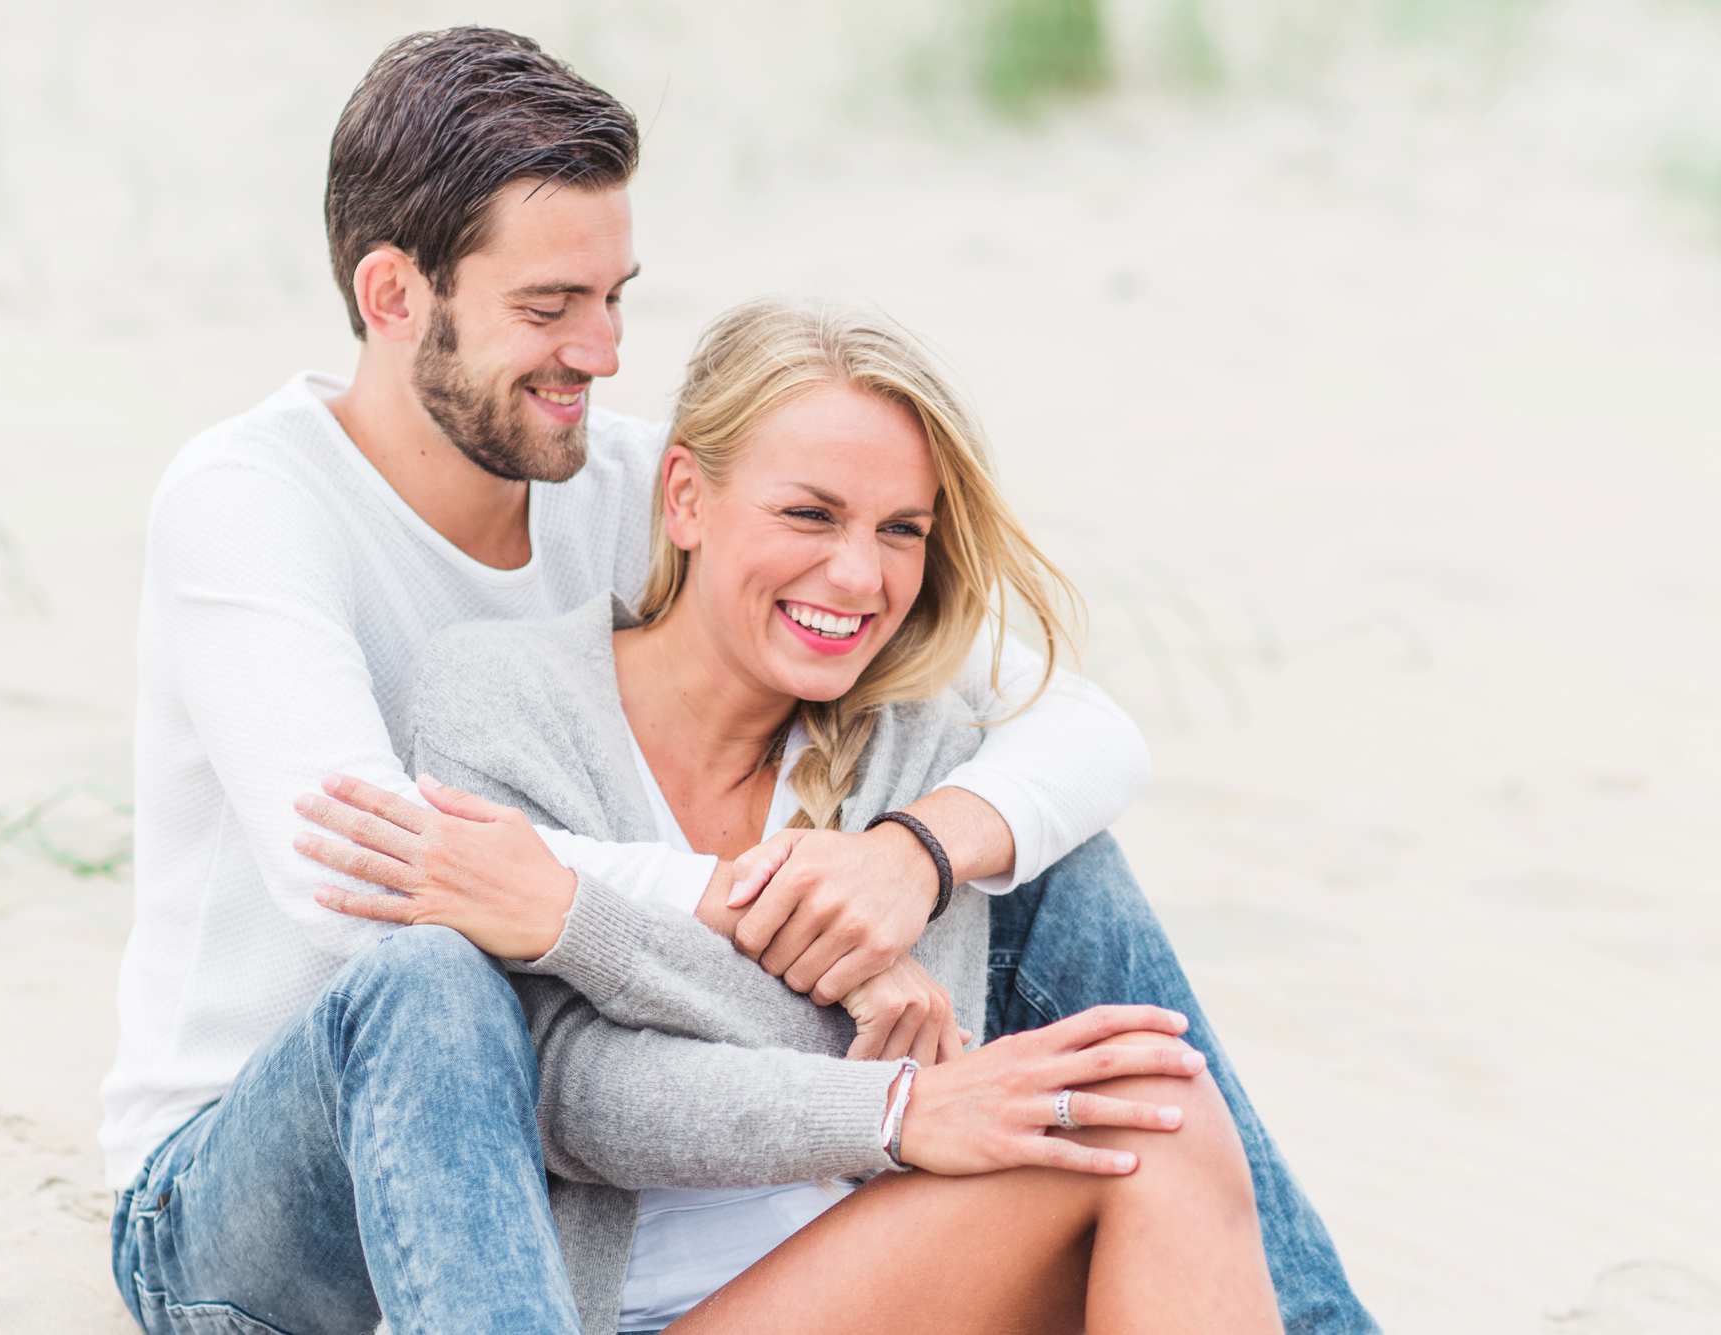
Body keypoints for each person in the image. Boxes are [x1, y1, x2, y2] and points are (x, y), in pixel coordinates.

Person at [102, 24, 1373, 1335]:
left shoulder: (637, 477)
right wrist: (771, 918)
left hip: (564, 1191)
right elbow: (372, 886)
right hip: (252, 1187)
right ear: (393, 296)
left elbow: (1069, 724)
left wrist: (909, 858)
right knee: (438, 975)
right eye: (549, 308)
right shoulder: (252, 505)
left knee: (1043, 862)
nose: (598, 353)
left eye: (615, 298)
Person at [303, 298, 1284, 1333]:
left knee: (1156, 1107)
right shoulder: (499, 697)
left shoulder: (919, 755)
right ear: (684, 496)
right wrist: (888, 1102)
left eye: (899, 531)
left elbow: (920, 1064)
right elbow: (566, 1097)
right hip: (636, 1308)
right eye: (809, 515)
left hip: (880, 1281)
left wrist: (571, 920)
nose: (859, 576)